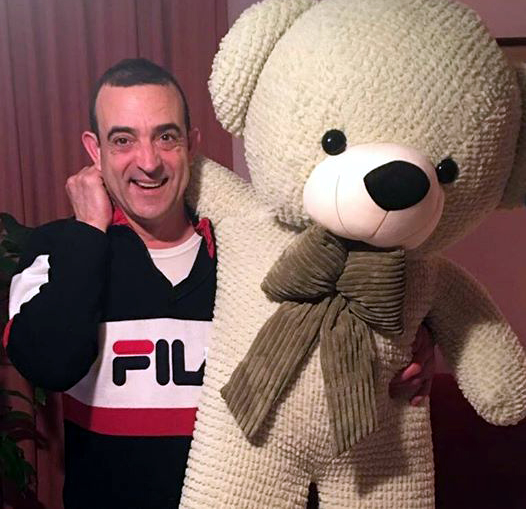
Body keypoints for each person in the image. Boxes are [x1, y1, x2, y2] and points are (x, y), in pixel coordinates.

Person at [3, 58, 433, 508]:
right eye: (123, 140)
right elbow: (49, 364)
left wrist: (413, 340)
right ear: (95, 151)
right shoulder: (59, 247)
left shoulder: (252, 251)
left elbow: (349, 315)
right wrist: (89, 231)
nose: (148, 162)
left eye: (166, 137)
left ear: (191, 145)